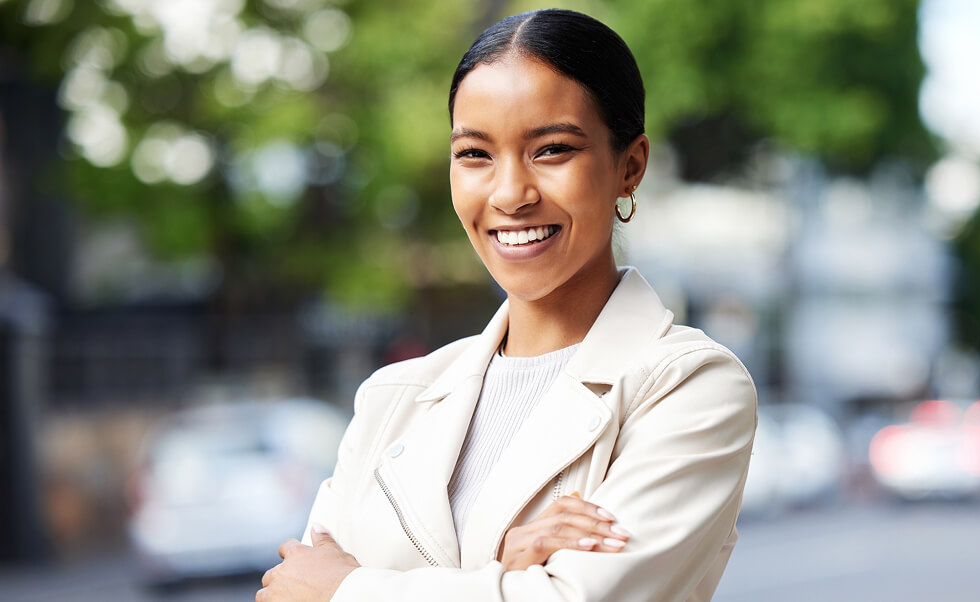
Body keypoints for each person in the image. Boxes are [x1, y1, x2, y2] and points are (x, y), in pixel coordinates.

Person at [257, 8, 757, 601]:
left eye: (552, 150)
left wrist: (346, 590)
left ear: (630, 166)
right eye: (475, 154)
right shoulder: (392, 398)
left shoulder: (691, 386)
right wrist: (502, 575)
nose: (510, 194)